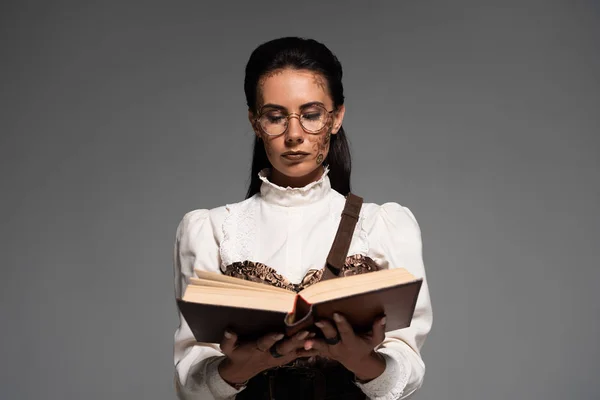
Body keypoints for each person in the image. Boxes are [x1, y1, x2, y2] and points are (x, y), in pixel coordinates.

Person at [172, 36, 433, 400]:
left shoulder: (383, 226)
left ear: (336, 116)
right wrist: (241, 368)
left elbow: (407, 369)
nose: (294, 135)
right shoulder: (211, 230)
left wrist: (361, 360)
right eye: (275, 117)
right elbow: (191, 382)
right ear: (255, 121)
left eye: (311, 115)